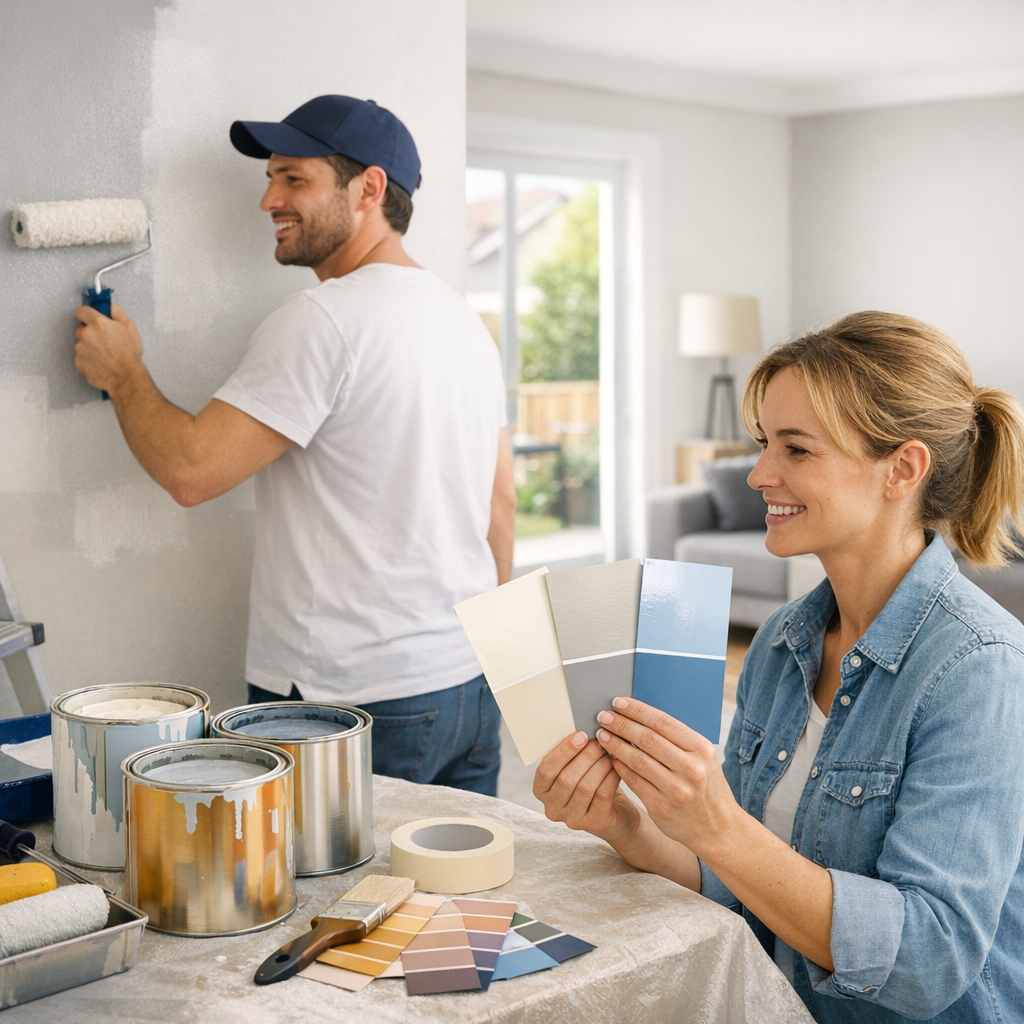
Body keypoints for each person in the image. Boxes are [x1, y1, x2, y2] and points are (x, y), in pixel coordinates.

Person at [533, 311, 1024, 1021]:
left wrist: (718, 826)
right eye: (766, 444)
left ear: (903, 469)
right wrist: (626, 825)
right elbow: (737, 882)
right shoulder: (783, 640)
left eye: (796, 449)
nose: (761, 474)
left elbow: (928, 960)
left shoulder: (981, 671)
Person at [73, 95, 515, 795]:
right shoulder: (462, 321)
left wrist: (124, 374)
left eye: (294, 179)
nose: (267, 200)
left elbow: (192, 471)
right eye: (270, 177)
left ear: (369, 189)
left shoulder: (323, 320)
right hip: (465, 683)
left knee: (334, 905)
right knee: (453, 902)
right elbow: (501, 507)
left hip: (352, 701)